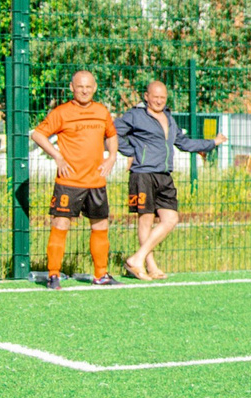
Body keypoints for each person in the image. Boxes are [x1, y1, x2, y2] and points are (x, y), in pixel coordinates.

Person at [115, 80, 225, 280]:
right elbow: (113, 132)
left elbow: (183, 142)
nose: (158, 101)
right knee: (145, 220)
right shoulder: (135, 115)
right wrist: (132, 151)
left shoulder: (169, 118)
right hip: (142, 174)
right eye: (155, 97)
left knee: (171, 219)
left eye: (162, 98)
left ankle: (137, 259)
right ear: (146, 96)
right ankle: (149, 265)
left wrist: (211, 143)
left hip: (164, 175)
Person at [29, 70, 122, 288]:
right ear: (72, 88)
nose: (84, 90)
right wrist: (57, 156)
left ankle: (101, 275)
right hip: (69, 182)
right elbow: (38, 134)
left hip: (96, 181)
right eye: (80, 86)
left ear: (95, 88)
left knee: (100, 225)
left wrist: (112, 157)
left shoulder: (101, 111)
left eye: (88, 86)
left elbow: (112, 135)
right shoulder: (61, 112)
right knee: (60, 223)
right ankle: (54, 275)